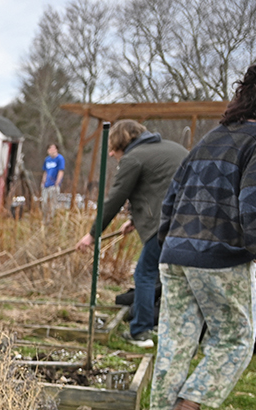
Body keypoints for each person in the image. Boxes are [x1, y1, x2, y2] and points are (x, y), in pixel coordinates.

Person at [145, 63, 256, 410]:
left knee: (175, 337)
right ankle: (188, 409)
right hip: (220, 256)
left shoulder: (209, 139)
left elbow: (171, 200)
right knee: (235, 337)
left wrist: (168, 244)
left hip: (175, 253)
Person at [75, 120, 187, 347]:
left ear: (119, 144)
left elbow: (115, 198)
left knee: (145, 274)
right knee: (177, 278)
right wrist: (134, 220)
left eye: (113, 152)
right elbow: (158, 189)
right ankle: (177, 332)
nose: (114, 156)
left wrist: (92, 234)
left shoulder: (134, 158)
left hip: (168, 226)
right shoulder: (173, 149)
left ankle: (141, 332)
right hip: (195, 225)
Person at [41, 143, 64, 222]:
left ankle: (51, 220)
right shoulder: (47, 160)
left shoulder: (60, 159)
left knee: (52, 204)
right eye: (50, 149)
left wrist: (57, 183)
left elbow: (61, 171)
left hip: (53, 185)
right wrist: (43, 182)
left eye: (53, 148)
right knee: (44, 203)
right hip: (46, 185)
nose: (52, 150)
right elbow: (45, 172)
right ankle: (44, 219)